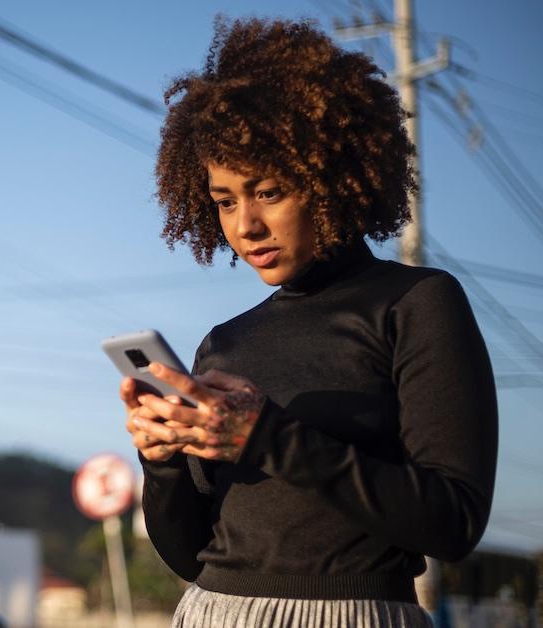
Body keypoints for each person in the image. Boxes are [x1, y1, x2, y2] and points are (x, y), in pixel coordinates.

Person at [120, 17, 498, 628]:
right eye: (224, 201)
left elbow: (453, 523)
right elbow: (193, 557)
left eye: (268, 191)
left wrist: (264, 436)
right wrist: (161, 463)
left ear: (329, 178)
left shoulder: (418, 303)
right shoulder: (224, 343)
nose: (246, 225)